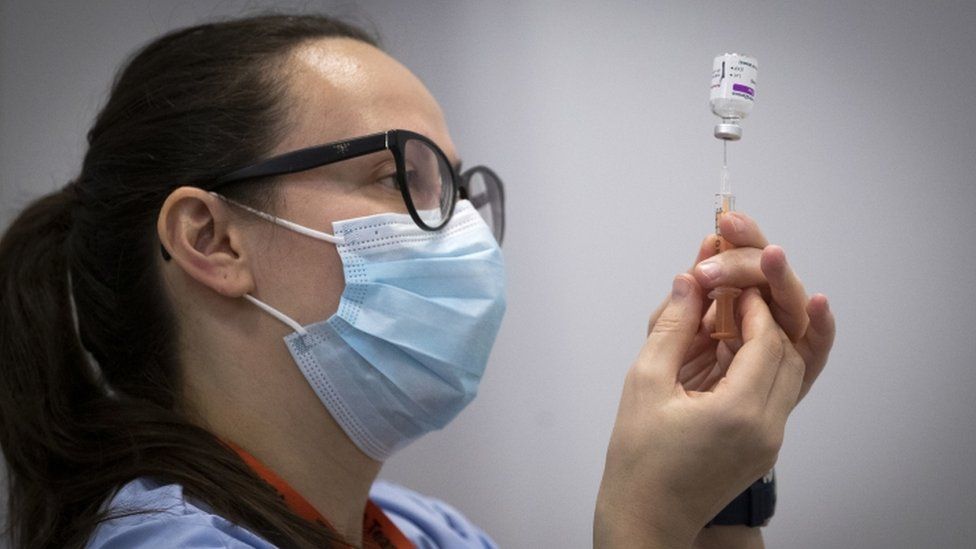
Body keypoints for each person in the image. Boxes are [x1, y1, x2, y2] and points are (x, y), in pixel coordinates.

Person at [0, 13, 835, 549]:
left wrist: (718, 496)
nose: (464, 230)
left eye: (462, 188)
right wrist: (642, 521)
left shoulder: (425, 533)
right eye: (401, 174)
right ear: (211, 238)